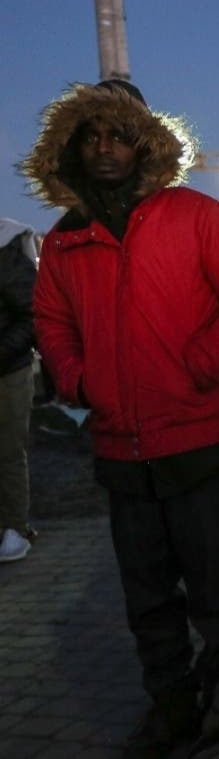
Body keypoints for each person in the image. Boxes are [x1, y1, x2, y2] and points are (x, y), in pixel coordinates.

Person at [22, 79, 219, 759]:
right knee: (149, 600)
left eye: (118, 133)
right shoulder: (65, 242)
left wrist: (205, 361)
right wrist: (80, 379)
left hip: (200, 438)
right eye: (91, 135)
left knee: (218, 594)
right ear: (71, 147)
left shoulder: (193, 214)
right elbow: (49, 318)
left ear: (144, 144)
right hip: (120, 448)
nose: (105, 147)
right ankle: (169, 709)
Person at [0, 217, 38, 563]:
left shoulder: (6, 247)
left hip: (8, 372)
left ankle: (14, 529)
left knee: (9, 451)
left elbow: (33, 314)